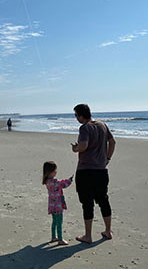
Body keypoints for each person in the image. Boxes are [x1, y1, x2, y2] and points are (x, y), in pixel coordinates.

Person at [71, 103, 116, 243]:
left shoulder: (84, 127)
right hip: (101, 170)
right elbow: (112, 142)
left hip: (86, 170)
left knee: (87, 203)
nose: (76, 118)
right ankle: (108, 231)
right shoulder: (102, 125)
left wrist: (75, 149)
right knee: (103, 200)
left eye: (76, 115)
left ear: (80, 115)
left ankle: (88, 235)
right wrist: (107, 158)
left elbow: (83, 146)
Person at [42, 161, 73, 246]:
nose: (56, 171)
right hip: (58, 205)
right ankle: (60, 239)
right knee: (59, 222)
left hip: (52, 205)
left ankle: (53, 237)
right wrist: (70, 180)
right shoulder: (54, 181)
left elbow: (61, 183)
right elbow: (63, 184)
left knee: (54, 222)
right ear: (50, 172)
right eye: (54, 170)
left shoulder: (47, 181)